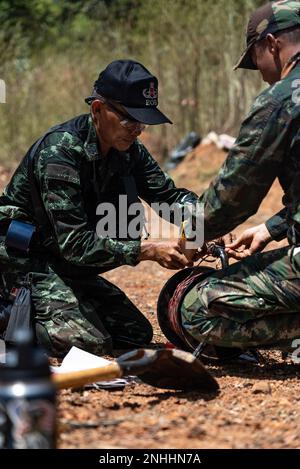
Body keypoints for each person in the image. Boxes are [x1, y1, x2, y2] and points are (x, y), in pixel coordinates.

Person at [0, 59, 197, 357]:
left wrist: (206, 225)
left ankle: (59, 303)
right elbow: (76, 244)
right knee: (84, 343)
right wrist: (149, 250)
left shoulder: (130, 151)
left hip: (66, 264)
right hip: (26, 259)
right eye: (130, 120)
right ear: (97, 110)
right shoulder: (60, 153)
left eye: (143, 121)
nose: (138, 131)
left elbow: (168, 197)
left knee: (135, 334)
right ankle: (6, 312)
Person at [180, 1, 300, 356]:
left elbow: (233, 197)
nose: (261, 72)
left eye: (256, 59)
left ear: (272, 44)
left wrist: (190, 237)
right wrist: (272, 228)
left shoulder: (281, 100)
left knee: (195, 310)